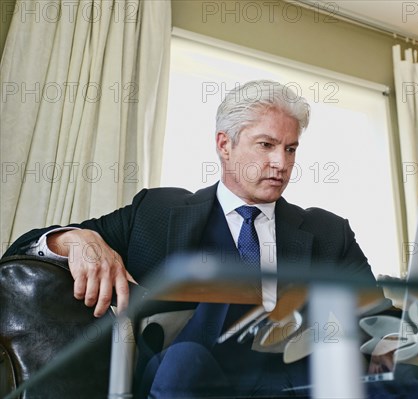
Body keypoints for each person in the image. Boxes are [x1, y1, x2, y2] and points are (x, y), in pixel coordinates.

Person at [3, 79, 379, 397]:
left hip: (299, 383)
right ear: (225, 145)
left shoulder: (329, 232)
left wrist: (390, 343)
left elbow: (378, 315)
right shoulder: (156, 213)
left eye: (290, 148)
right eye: (266, 145)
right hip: (191, 379)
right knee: (185, 361)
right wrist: (78, 239)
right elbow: (25, 248)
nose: (282, 163)